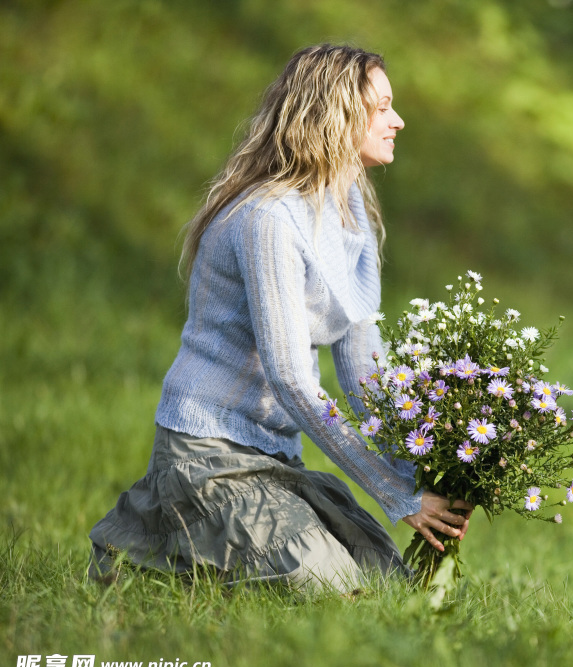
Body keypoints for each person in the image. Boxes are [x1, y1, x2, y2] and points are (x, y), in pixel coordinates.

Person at [89, 44, 471, 593]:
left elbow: (366, 377)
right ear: (336, 115)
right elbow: (292, 377)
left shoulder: (351, 218)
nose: (398, 120)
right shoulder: (270, 219)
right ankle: (153, 538)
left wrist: (432, 469)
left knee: (387, 585)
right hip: (209, 455)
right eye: (382, 107)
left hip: (277, 459)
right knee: (332, 590)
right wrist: (396, 495)